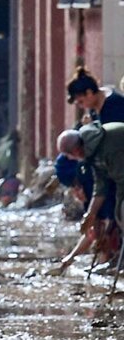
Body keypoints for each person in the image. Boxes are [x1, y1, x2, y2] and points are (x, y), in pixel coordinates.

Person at [53, 69, 124, 273]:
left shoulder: (115, 106)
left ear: (89, 93)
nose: (79, 105)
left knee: (119, 210)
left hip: (118, 160)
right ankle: (112, 253)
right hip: (107, 164)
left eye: (80, 100)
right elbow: (100, 183)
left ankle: (116, 253)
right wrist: (91, 213)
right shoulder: (93, 113)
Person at [59, 123, 124, 253]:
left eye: (69, 155)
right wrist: (91, 214)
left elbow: (121, 182)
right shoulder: (92, 151)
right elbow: (100, 185)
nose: (71, 159)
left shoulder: (107, 147)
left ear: (76, 151)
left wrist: (115, 215)